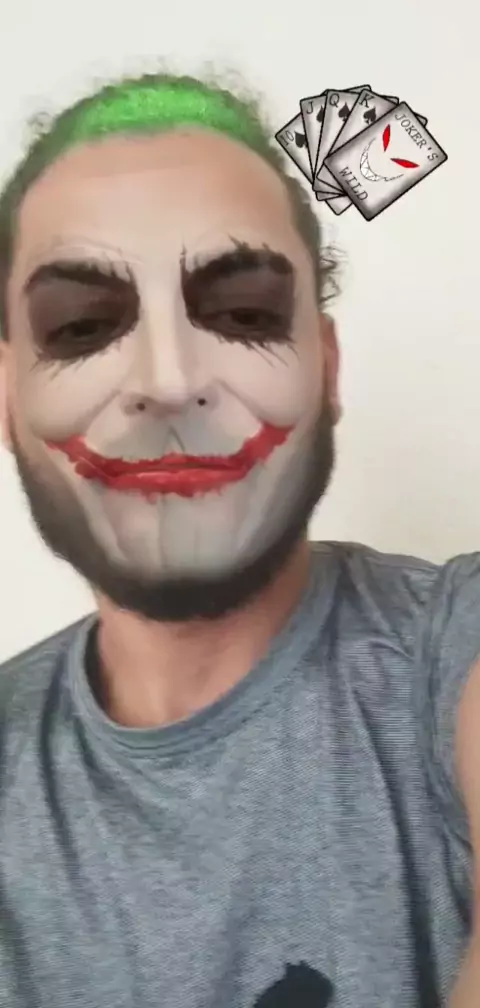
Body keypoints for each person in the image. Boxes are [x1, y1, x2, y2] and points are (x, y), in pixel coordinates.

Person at [0, 70, 479, 1008]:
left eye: (245, 315)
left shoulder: (449, 647)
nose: (169, 381)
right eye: (83, 325)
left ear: (327, 369)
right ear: (6, 398)